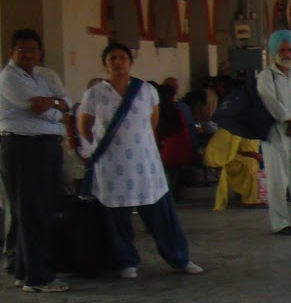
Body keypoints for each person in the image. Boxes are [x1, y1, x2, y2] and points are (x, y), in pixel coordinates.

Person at [77, 43, 204, 281]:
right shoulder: (95, 93)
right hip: (111, 165)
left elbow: (153, 121)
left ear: (130, 62)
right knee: (117, 215)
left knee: (160, 212)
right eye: (113, 58)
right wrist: (104, 146)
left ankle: (179, 258)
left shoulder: (146, 90)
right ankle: (126, 261)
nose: (118, 62)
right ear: (105, 64)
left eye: (122, 57)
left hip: (145, 163)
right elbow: (85, 126)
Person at [1, 28, 71, 292]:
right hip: (23, 147)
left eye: (32, 49)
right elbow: (37, 107)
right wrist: (58, 111)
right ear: (11, 52)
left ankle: (24, 270)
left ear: (40, 52)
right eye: (22, 49)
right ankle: (39, 278)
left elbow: (66, 100)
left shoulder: (45, 76)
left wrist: (54, 104)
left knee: (42, 209)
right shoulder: (8, 78)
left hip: (47, 147)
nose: (28, 54)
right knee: (32, 212)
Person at [256, 29, 291, 235]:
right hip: (276, 136)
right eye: (282, 50)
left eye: (290, 50)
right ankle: (280, 223)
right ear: (273, 51)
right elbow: (270, 101)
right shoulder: (266, 76)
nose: (287, 54)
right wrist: (289, 119)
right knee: (278, 182)